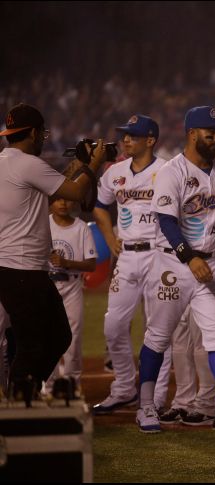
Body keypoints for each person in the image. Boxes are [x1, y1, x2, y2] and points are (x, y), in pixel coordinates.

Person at [134, 106, 215, 434]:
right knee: (159, 336)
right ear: (192, 134)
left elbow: (212, 222)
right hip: (174, 264)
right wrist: (189, 257)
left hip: (211, 264)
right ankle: (146, 406)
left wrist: (213, 256)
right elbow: (166, 220)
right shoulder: (172, 172)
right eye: (210, 132)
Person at [0, 103, 106, 400]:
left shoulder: (6, 162)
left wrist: (82, 166)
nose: (43, 139)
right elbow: (73, 192)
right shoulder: (26, 163)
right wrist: (94, 163)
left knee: (42, 337)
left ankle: (24, 393)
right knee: (42, 339)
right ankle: (21, 399)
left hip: (13, 267)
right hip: (23, 269)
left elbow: (59, 184)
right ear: (33, 133)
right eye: (41, 133)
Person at [93, 114, 172, 415]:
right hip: (126, 255)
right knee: (113, 325)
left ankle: (156, 396)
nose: (126, 140)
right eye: (125, 135)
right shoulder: (115, 172)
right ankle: (124, 388)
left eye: (133, 136)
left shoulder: (167, 170)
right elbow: (100, 207)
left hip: (158, 255)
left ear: (150, 140)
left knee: (158, 329)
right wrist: (108, 236)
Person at [45, 196, 96, 393]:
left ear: (74, 202)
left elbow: (91, 264)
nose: (63, 204)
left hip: (72, 287)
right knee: (47, 338)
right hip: (47, 288)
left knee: (73, 341)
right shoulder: (43, 224)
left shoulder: (81, 227)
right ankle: (47, 388)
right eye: (58, 199)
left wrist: (68, 263)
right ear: (50, 202)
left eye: (68, 199)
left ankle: (71, 386)